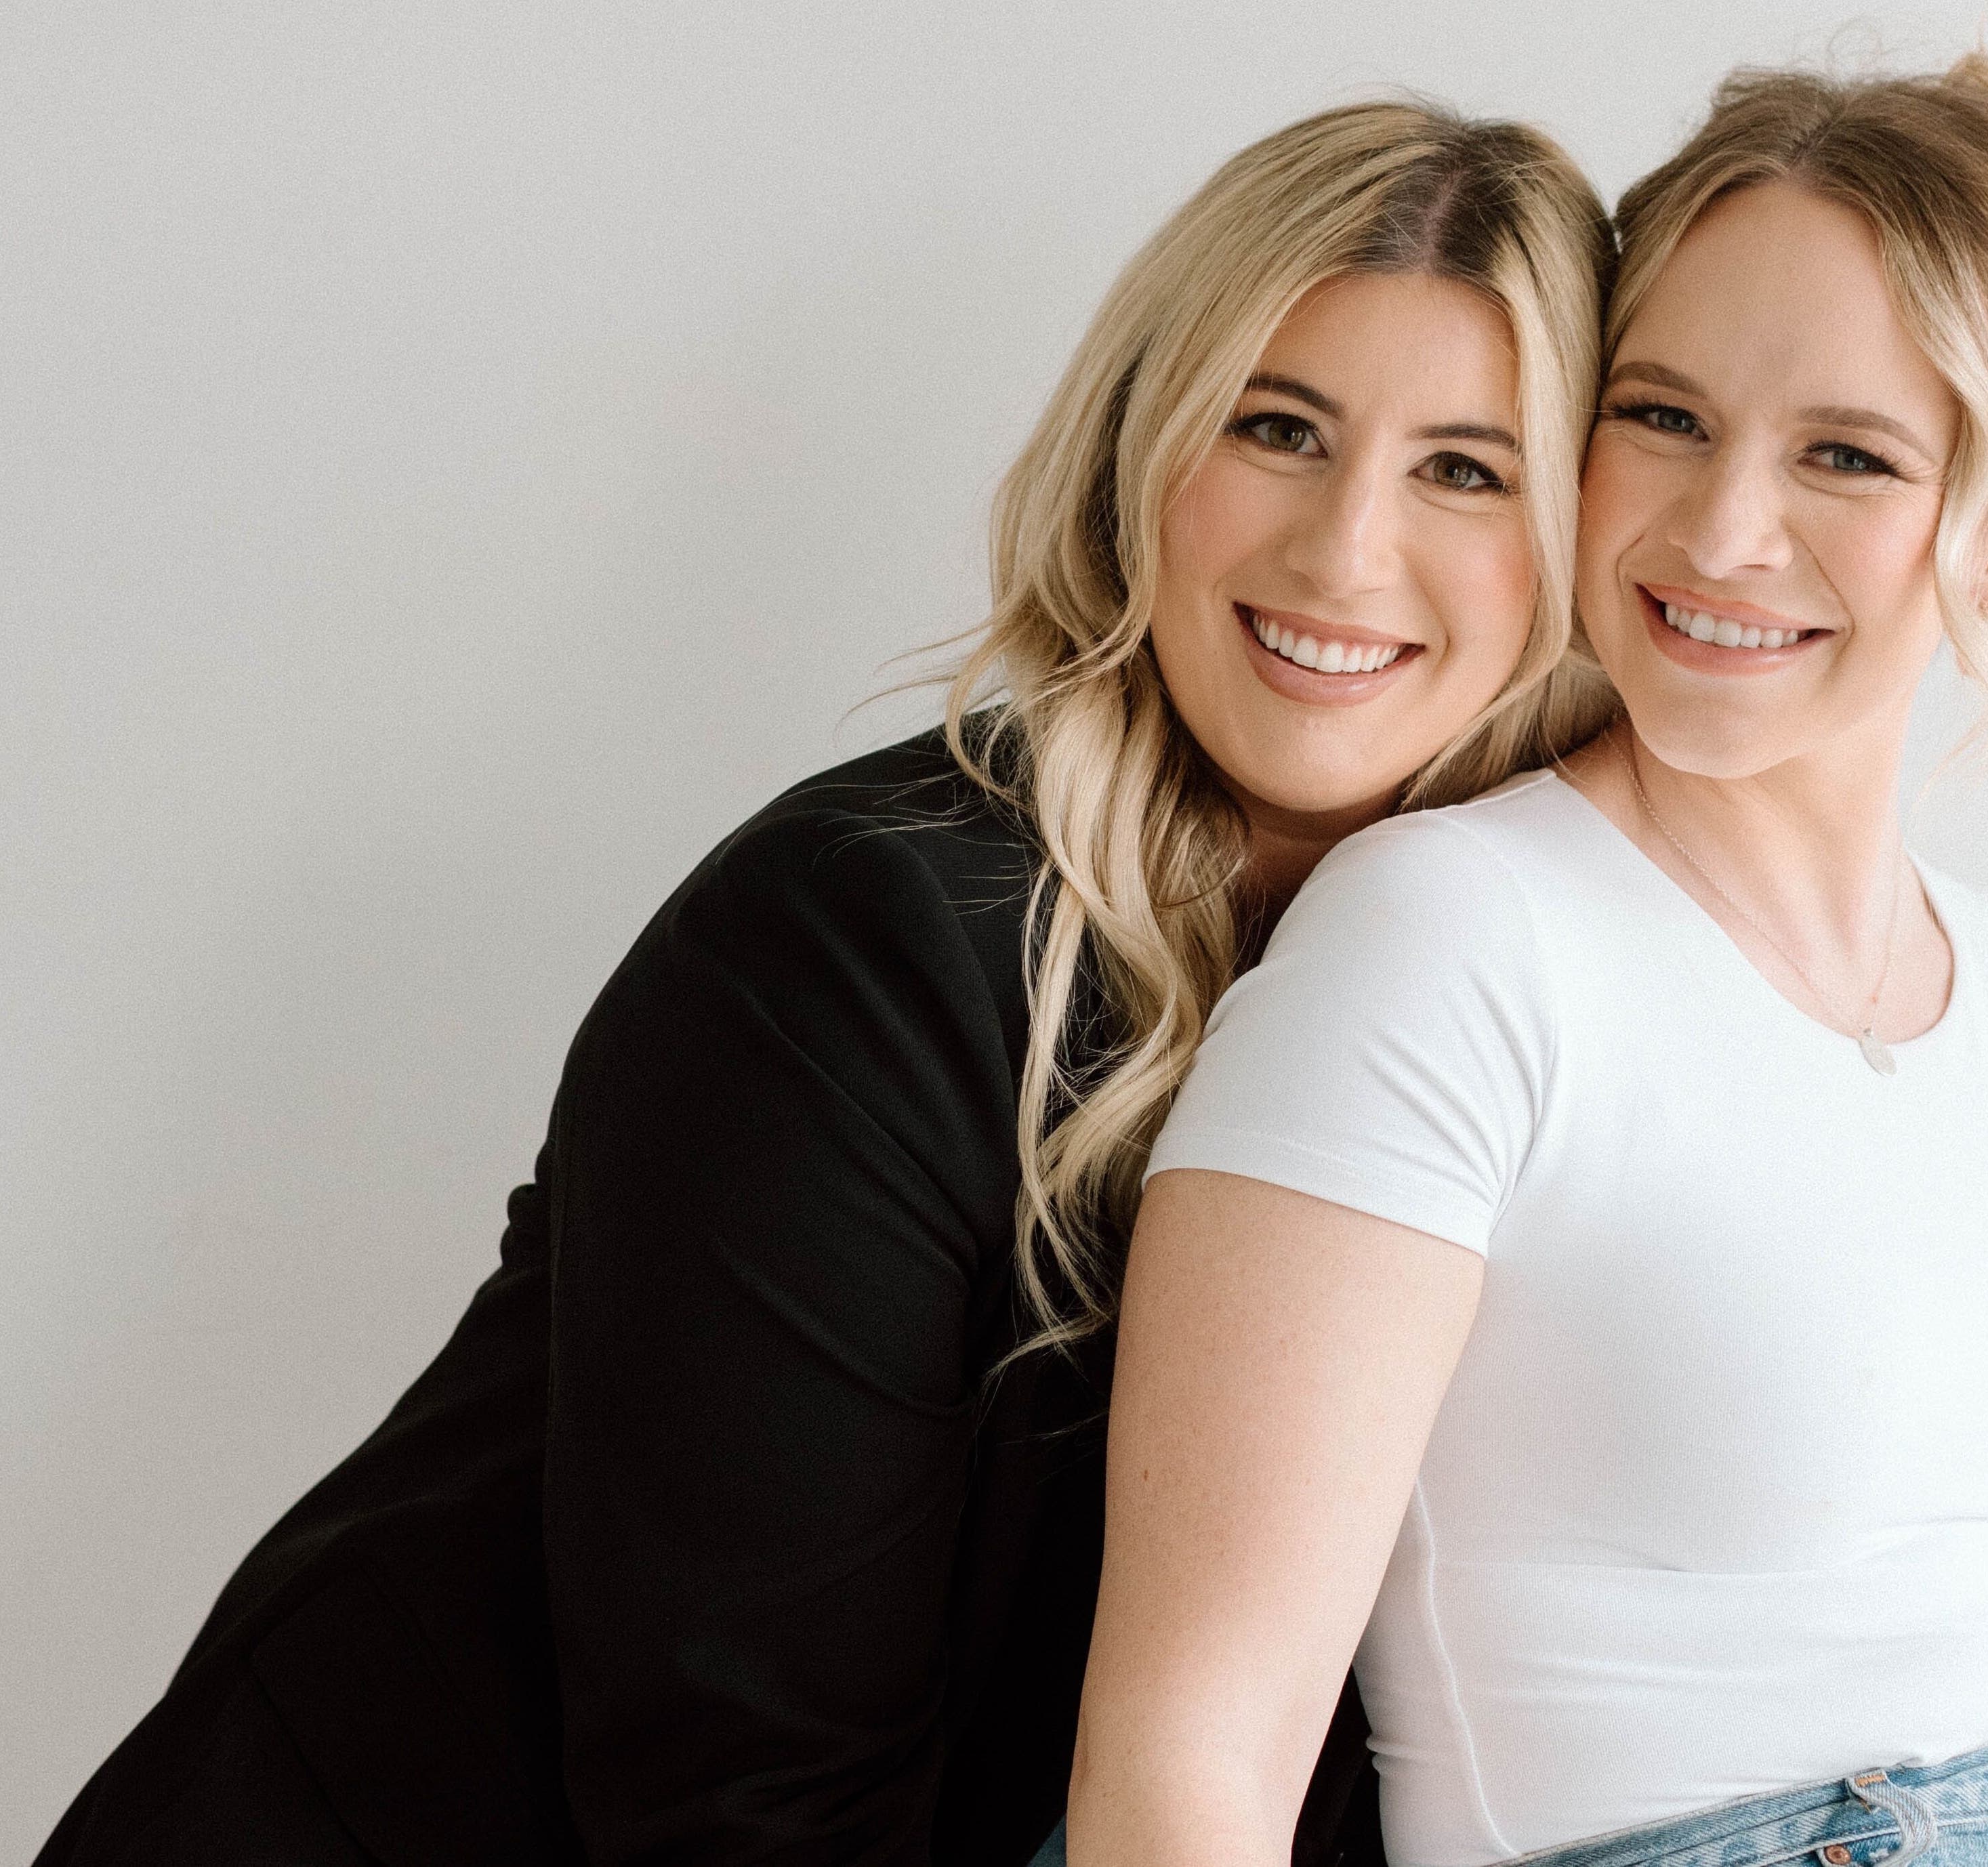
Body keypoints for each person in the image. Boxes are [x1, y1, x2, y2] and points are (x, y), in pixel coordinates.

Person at [37, 100, 1616, 1867]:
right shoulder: (864, 941)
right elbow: (743, 1805)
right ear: (1140, 450)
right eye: (1278, 427)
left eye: (1466, 469)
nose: (1343, 552)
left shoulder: (1514, 997)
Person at [1069, 57, 1988, 1867]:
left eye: (1844, 455)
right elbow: (1192, 1751)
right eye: (1666, 418)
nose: (1718, 533)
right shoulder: (1443, 939)